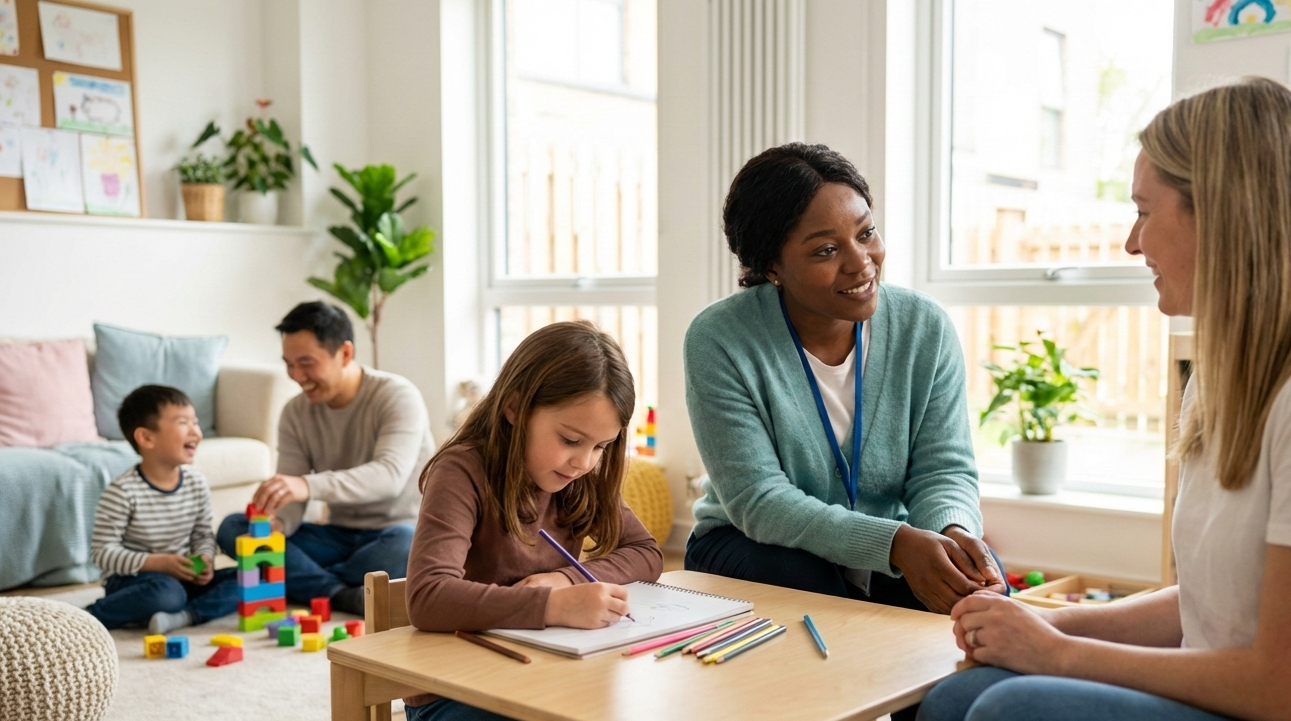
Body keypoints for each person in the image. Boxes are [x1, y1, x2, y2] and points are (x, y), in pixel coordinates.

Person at [918, 77, 1291, 721]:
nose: (1132, 242)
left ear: (1222, 214)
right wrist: (1046, 625)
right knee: (956, 696)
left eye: (1145, 211)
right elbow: (1210, 607)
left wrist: (1057, 655)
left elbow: (1276, 685)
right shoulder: (1220, 380)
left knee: (1014, 709)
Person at [684, 142, 1004, 620]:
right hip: (752, 543)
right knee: (810, 584)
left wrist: (952, 534)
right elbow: (760, 501)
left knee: (980, 589)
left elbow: (943, 470)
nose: (861, 262)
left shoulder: (924, 327)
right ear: (771, 267)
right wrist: (894, 544)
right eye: (827, 250)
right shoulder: (720, 339)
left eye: (866, 232)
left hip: (889, 544)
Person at [403, 321, 663, 721]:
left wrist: (567, 579)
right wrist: (552, 606)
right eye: (571, 440)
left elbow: (646, 552)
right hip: (454, 689)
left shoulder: (579, 478)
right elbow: (427, 598)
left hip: (544, 673)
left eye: (601, 447)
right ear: (514, 408)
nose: (585, 462)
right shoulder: (461, 471)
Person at [216, 301, 435, 615]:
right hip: (336, 534)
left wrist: (306, 485)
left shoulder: (397, 396)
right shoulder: (295, 412)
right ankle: (342, 593)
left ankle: (303, 581)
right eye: (288, 364)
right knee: (234, 527)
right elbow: (291, 494)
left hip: (395, 532)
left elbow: (389, 477)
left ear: (345, 353)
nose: (296, 375)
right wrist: (278, 522)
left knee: (410, 546)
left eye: (306, 363)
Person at [86, 385, 239, 633]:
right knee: (166, 593)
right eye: (183, 423)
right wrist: (157, 563)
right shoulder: (123, 491)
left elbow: (202, 534)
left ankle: (184, 616)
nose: (196, 432)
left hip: (182, 577)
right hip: (135, 580)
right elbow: (102, 553)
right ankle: (91, 616)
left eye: (196, 422)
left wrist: (206, 559)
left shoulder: (196, 483)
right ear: (147, 438)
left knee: (250, 579)